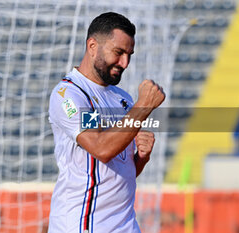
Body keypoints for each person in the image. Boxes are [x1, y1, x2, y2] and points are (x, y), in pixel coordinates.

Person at [48, 12, 165, 233]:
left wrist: (141, 158)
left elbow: (118, 171)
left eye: (129, 55)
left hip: (126, 225)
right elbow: (102, 148)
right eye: (118, 53)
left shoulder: (122, 99)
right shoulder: (72, 95)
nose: (125, 63)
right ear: (92, 46)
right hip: (85, 225)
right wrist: (144, 107)